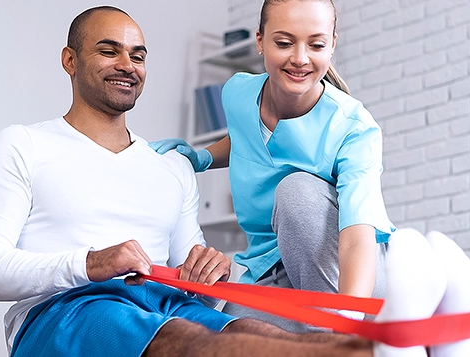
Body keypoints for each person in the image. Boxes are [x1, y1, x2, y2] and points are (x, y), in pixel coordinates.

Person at [0, 5, 382, 357]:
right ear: (70, 60)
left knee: (256, 334)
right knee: (188, 343)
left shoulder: (170, 166)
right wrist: (89, 263)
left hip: (166, 305)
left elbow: (191, 278)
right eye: (109, 51)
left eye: (137, 56)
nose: (127, 65)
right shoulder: (24, 144)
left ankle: (349, 346)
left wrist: (206, 269)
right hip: (66, 310)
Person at [150, 0, 394, 330]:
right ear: (260, 41)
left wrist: (348, 320)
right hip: (271, 267)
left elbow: (356, 237)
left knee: (296, 190)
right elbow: (245, 135)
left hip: (350, 272)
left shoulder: (354, 128)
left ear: (333, 44)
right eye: (283, 42)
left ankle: (335, 335)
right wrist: (202, 158)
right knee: (223, 337)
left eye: (316, 44)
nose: (300, 58)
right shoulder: (237, 92)